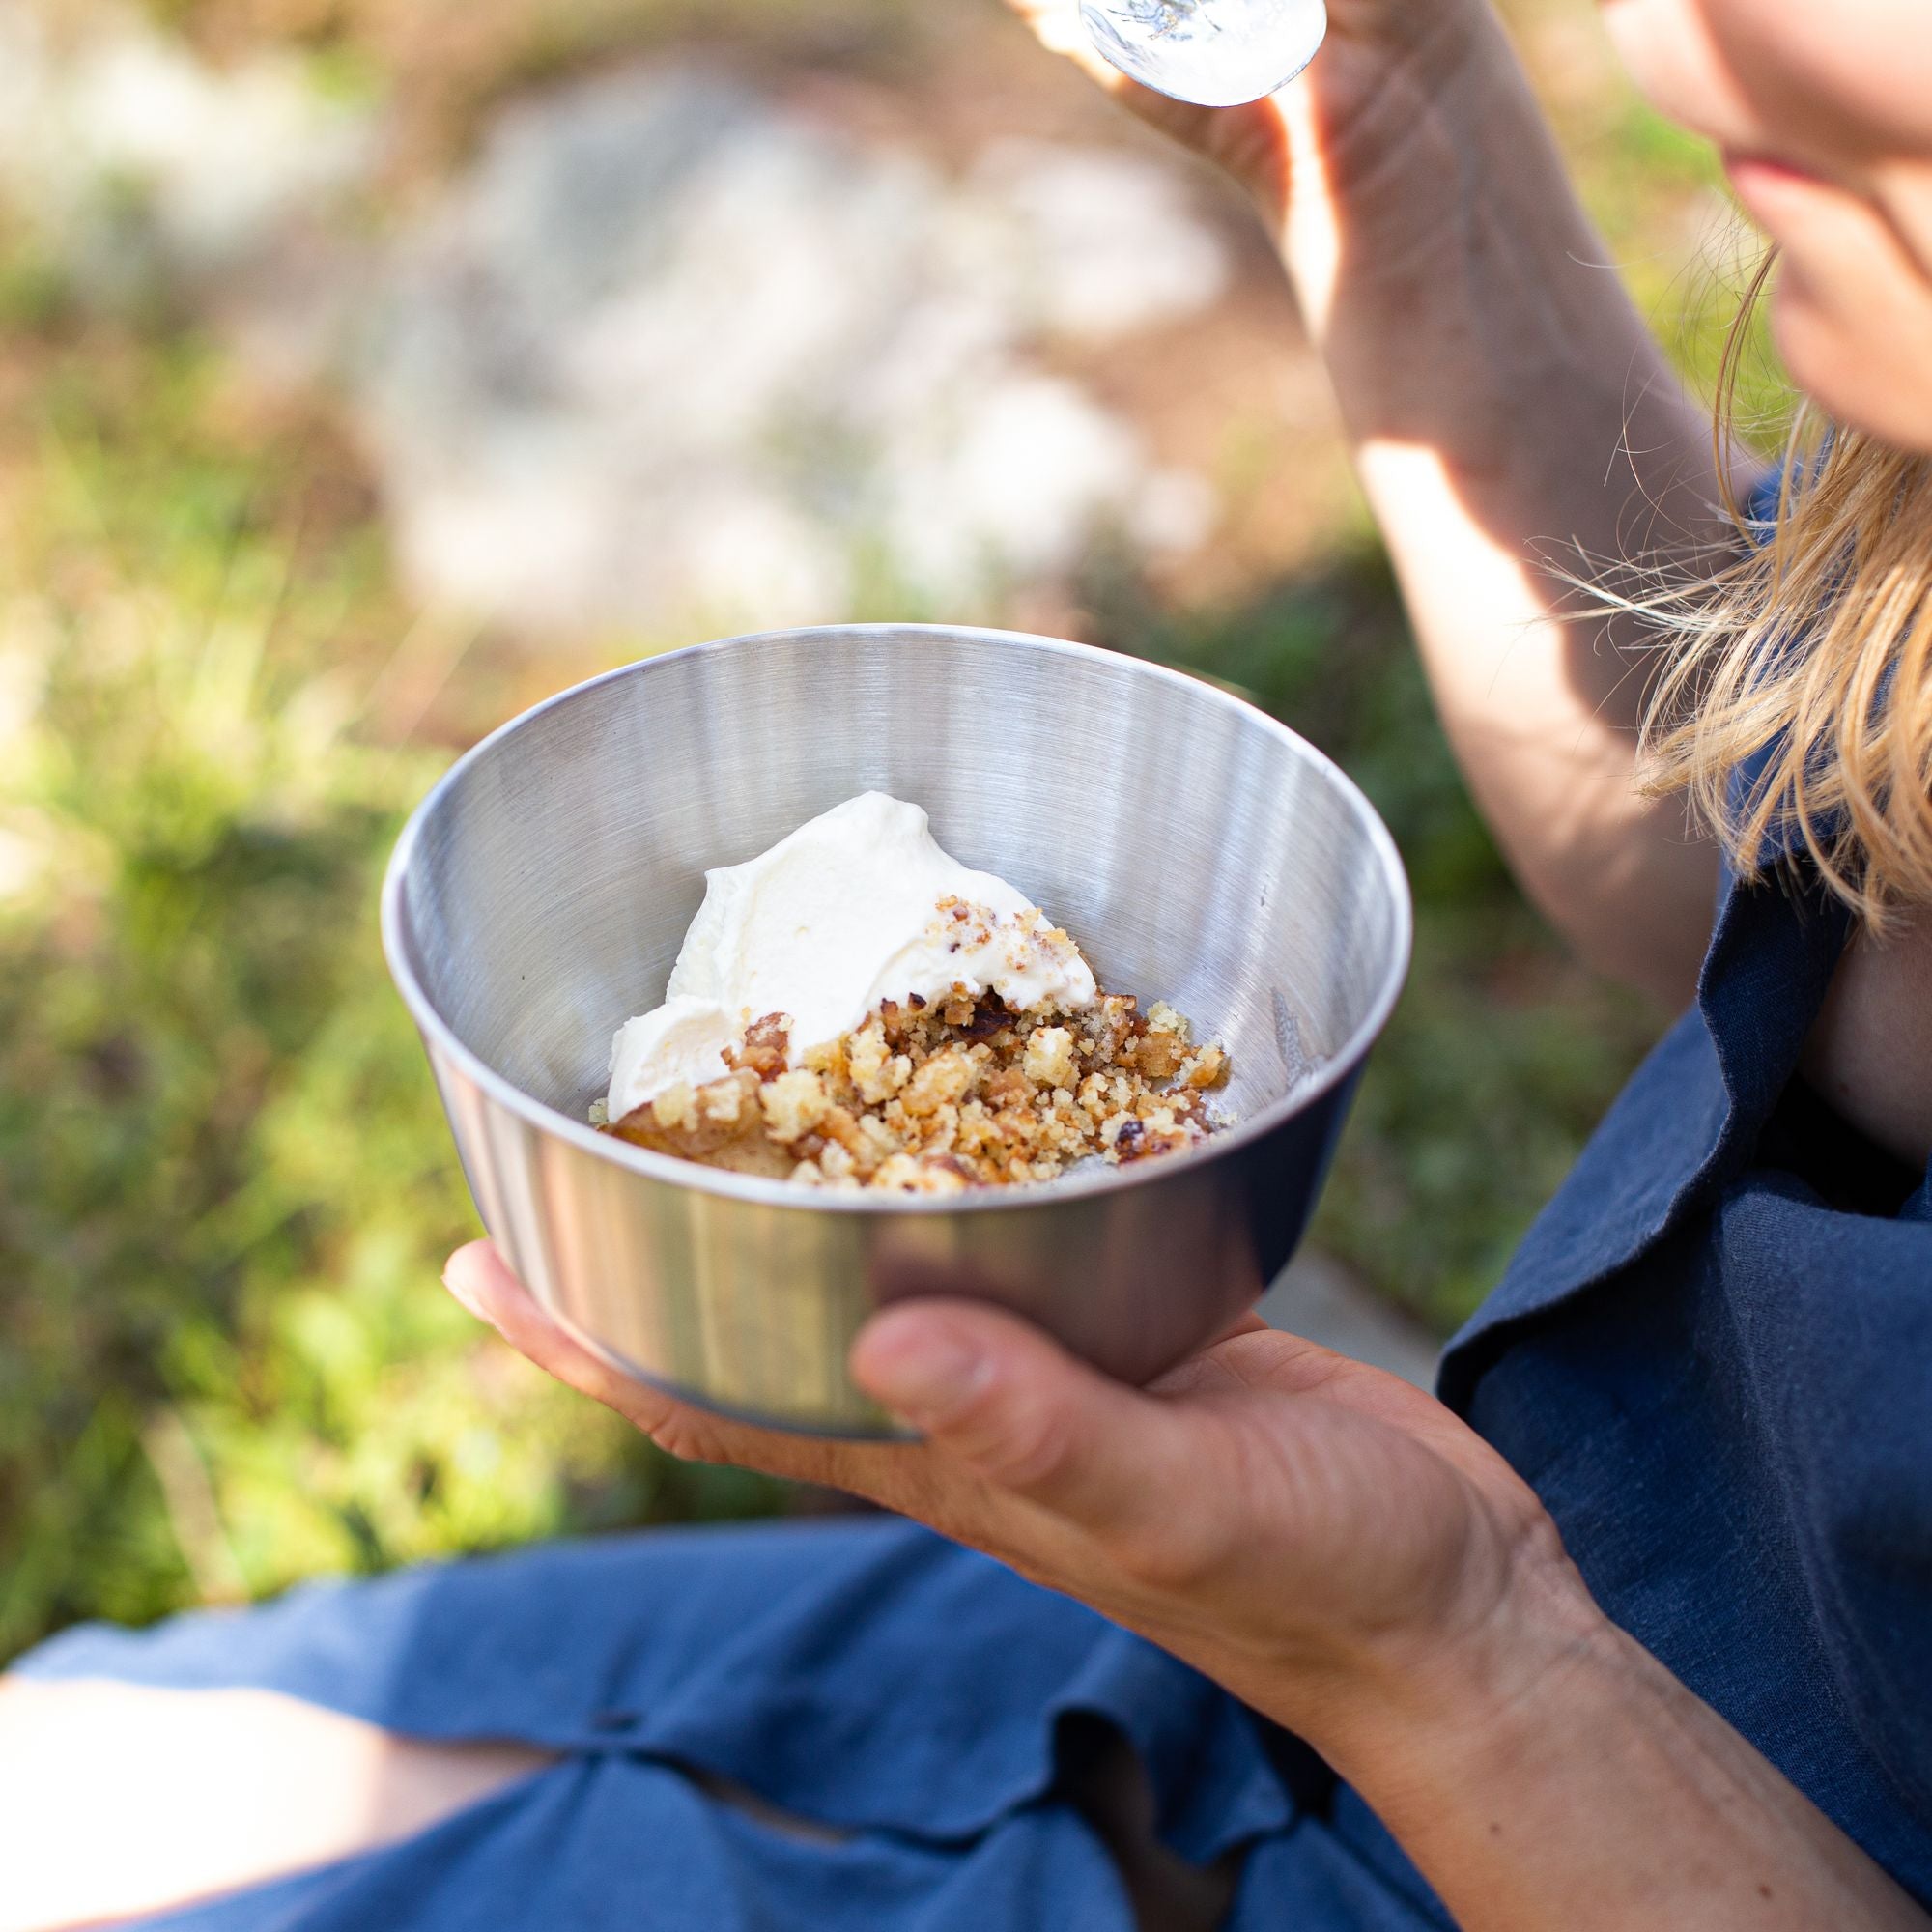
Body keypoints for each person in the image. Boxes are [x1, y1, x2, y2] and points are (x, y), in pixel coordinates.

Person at [7, 0, 1930, 1925]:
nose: (1668, 44)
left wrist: (1461, 1661)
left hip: (1481, 1776)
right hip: (1263, 1683)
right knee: (62, 1768)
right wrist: (1391, 131)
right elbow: (1778, 844)